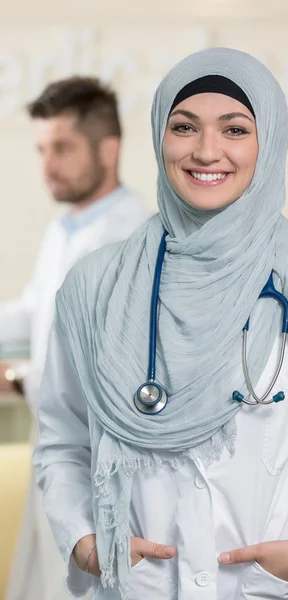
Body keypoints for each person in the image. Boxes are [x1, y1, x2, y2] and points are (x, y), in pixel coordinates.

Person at [34, 48, 288, 600]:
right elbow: (62, 441)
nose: (206, 150)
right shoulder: (96, 287)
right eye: (184, 127)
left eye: (234, 129)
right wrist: (85, 541)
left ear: (268, 141)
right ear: (159, 137)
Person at [2, 76, 152, 600]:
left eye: (62, 147)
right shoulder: (67, 229)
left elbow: (105, 371)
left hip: (101, 472)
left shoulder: (128, 238)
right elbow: (35, 312)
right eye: (42, 149)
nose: (47, 166)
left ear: (108, 149)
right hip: (60, 462)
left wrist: (17, 380)